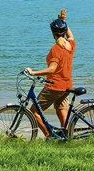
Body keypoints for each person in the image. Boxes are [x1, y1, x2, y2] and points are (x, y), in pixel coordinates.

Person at [24, 8, 75, 136]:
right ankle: (66, 138)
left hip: (54, 86)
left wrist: (33, 72)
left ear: (53, 33)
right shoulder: (70, 46)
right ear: (63, 32)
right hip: (67, 85)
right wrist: (63, 22)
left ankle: (49, 136)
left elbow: (52, 69)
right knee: (61, 111)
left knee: (33, 111)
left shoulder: (56, 49)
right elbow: (71, 36)